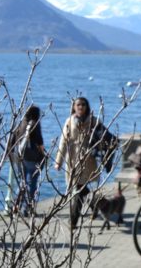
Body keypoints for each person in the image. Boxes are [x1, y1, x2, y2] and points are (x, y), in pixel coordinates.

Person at [54, 97, 115, 230]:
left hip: (88, 159)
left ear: (87, 106)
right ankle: (101, 204)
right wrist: (59, 161)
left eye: (83, 104)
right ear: (74, 107)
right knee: (81, 189)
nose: (80, 107)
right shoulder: (69, 121)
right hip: (72, 160)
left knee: (79, 190)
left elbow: (105, 137)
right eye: (78, 105)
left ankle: (73, 221)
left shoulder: (93, 121)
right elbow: (63, 142)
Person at [8, 105, 46, 216]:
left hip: (19, 157)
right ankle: (27, 208)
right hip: (32, 158)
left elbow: (12, 140)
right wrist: (43, 154)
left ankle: (15, 205)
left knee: (22, 183)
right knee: (32, 184)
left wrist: (10, 154)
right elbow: (40, 142)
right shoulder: (35, 124)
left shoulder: (20, 122)